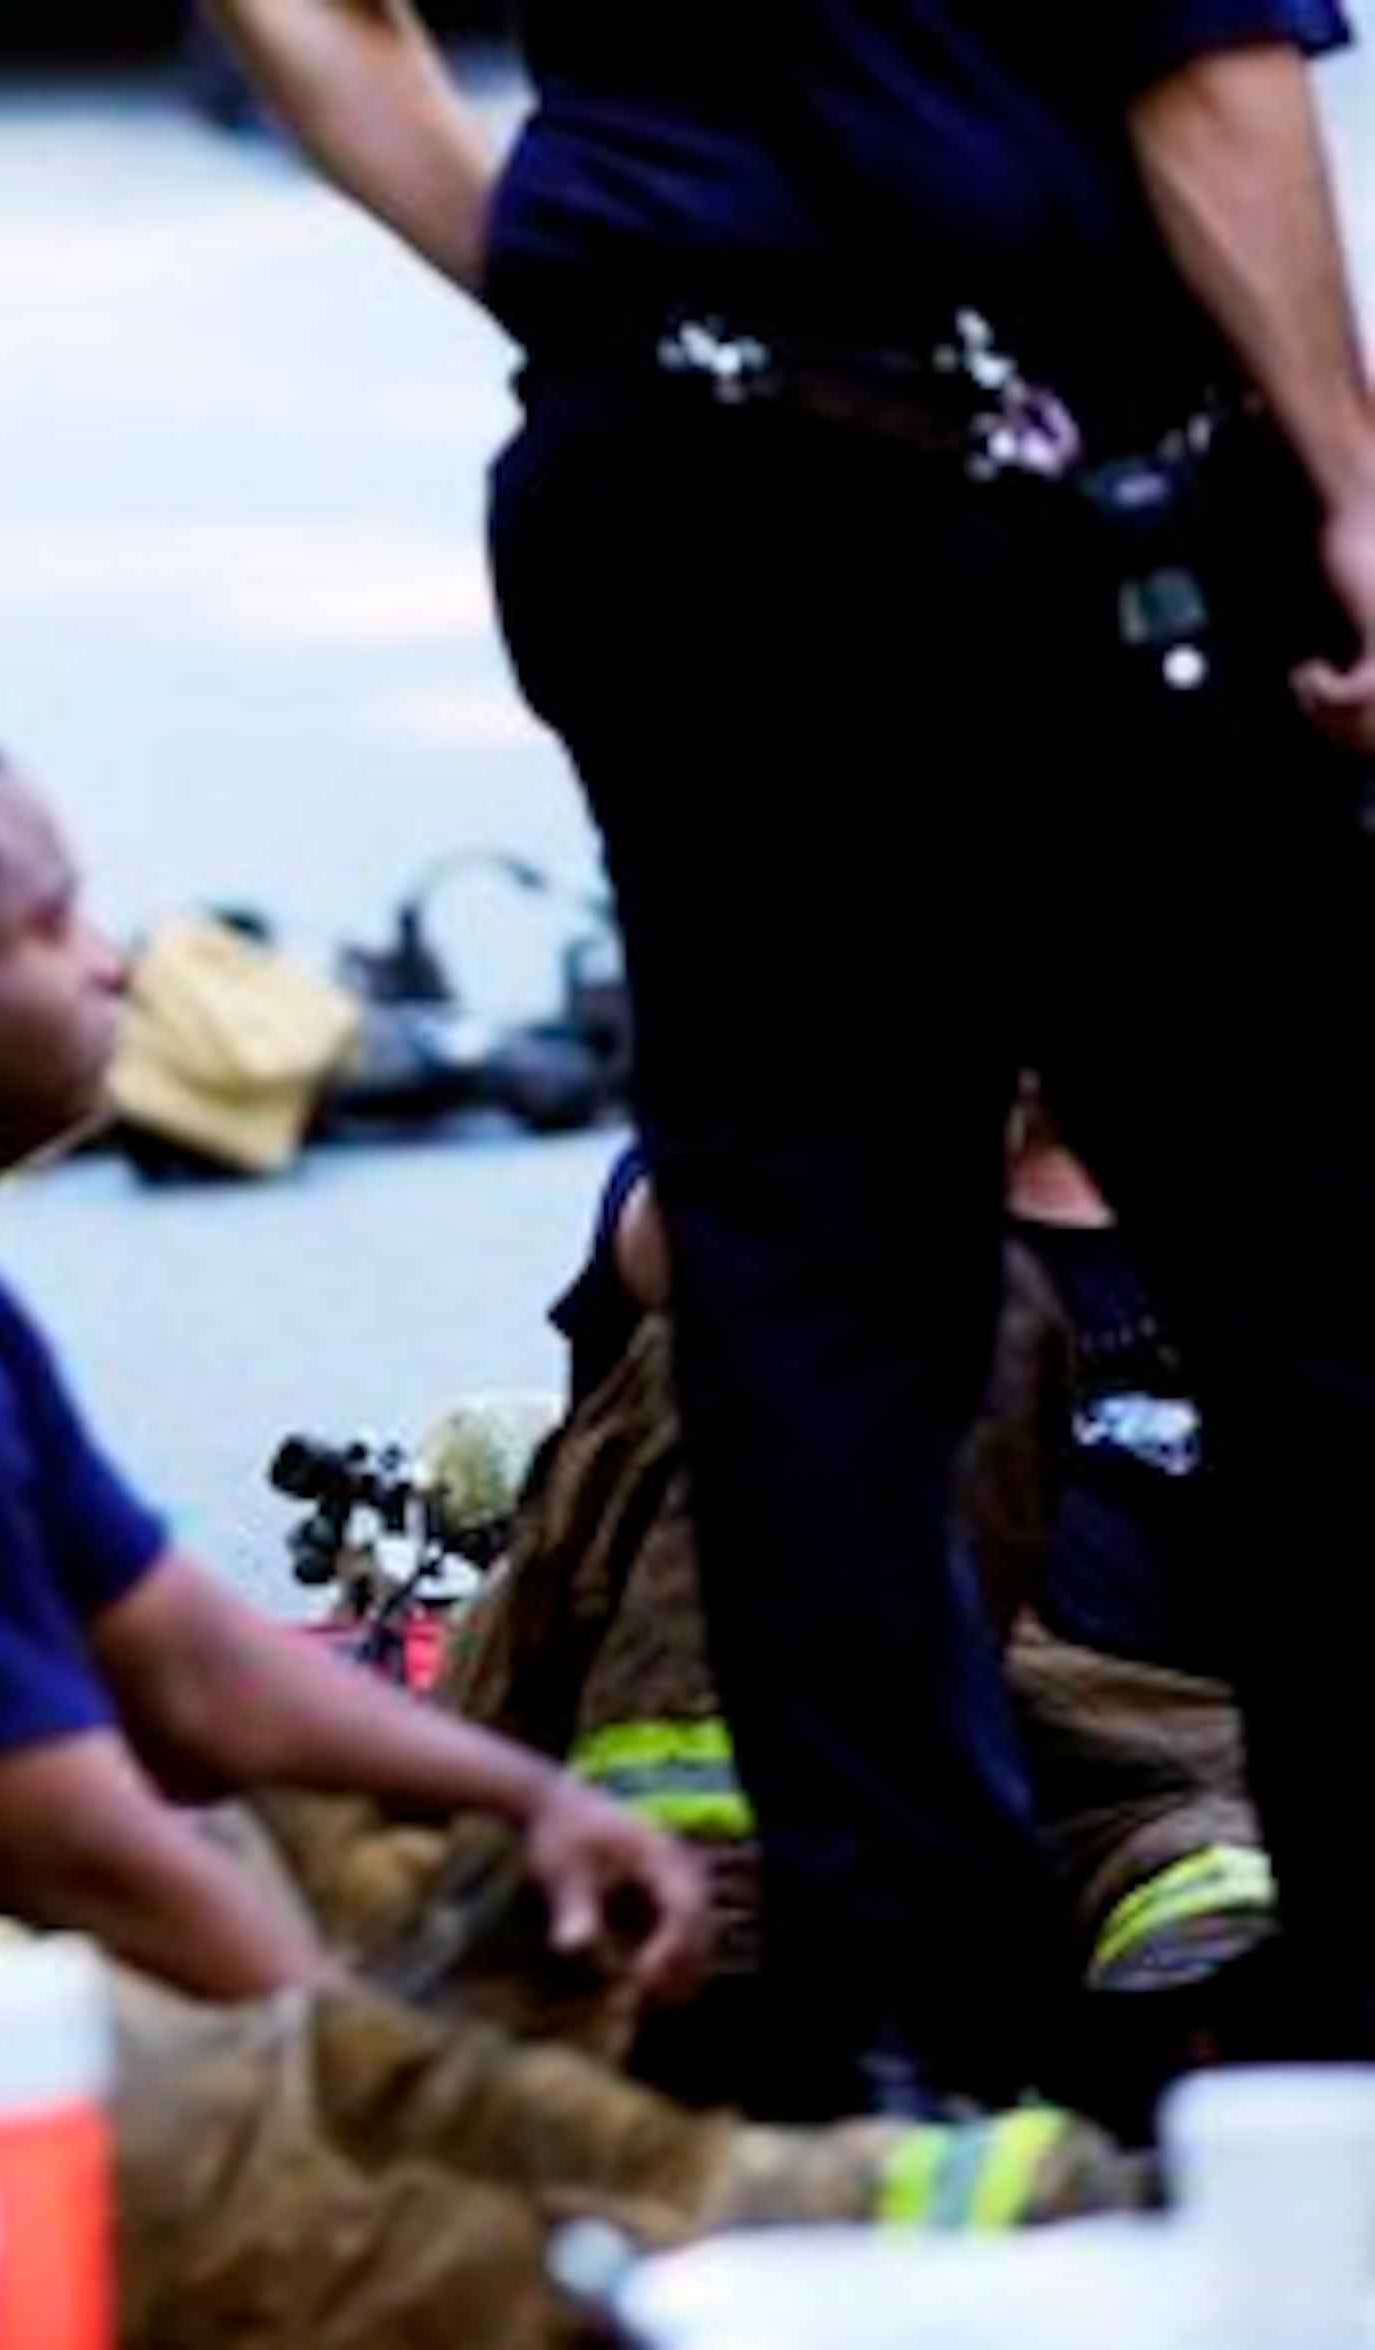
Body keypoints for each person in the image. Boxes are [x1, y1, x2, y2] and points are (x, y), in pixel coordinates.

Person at [0, 742, 1138, 2350]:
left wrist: (531, 1804)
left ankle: (631, 2103)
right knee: (482, 2220)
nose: (115, 963)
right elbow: (76, 1855)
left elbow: (179, 1662)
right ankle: (863, 2235)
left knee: (365, 1856)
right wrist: (397, 2077)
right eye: (54, 922)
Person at [198, 0, 1375, 2111]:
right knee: (1314, 1274)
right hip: (1043, 495)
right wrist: (1358, 480)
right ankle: (1339, 2044)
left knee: (821, 1306)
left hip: (665, 490)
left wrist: (590, 274)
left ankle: (906, 2053)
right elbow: (1197, 69)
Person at [443, 1097, 1280, 2139]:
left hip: (1132, 1758)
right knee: (844, 1295)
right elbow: (692, 1244)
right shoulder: (781, 1152)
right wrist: (917, 1127)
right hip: (770, 1693)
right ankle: (715, 1964)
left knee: (1224, 1902)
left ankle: (1136, 2045)